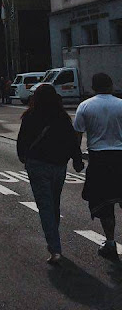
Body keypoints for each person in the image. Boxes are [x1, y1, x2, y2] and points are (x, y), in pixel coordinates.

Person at [17, 84, 83, 264]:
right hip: (59, 165)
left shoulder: (30, 116)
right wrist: (77, 160)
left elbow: (22, 139)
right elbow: (72, 140)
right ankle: (54, 240)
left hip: (37, 164)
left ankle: (55, 248)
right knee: (54, 203)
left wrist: (23, 157)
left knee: (45, 206)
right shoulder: (61, 116)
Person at [73, 72, 122, 262]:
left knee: (105, 202)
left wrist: (77, 158)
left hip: (99, 159)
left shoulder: (85, 106)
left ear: (93, 87)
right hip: (120, 155)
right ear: (111, 85)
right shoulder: (120, 104)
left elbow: (77, 135)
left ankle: (110, 242)